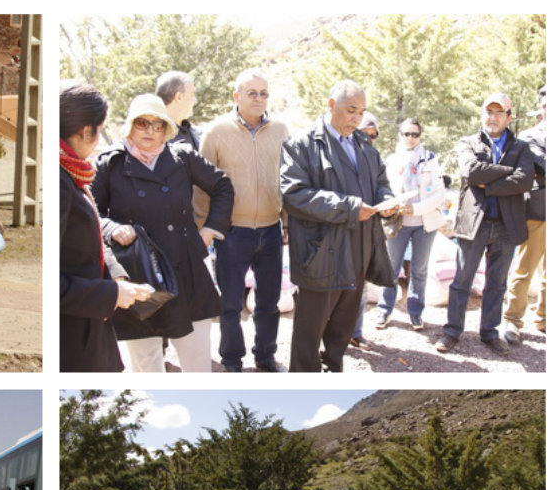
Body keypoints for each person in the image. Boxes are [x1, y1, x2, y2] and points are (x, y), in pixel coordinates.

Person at [93, 93, 234, 372]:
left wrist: (209, 232)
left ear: (167, 129)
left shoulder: (182, 156)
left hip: (187, 272)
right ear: (130, 125)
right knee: (147, 367)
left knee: (198, 368)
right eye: (143, 123)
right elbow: (91, 212)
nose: (150, 131)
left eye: (158, 125)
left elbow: (223, 186)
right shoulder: (111, 164)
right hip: (140, 274)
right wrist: (112, 228)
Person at [280, 80, 397, 372]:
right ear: (331, 105)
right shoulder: (302, 144)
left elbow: (381, 183)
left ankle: (334, 369)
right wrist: (350, 207)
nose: (356, 118)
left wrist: (388, 202)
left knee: (342, 330)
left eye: (362, 112)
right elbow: (294, 195)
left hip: (359, 250)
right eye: (350, 110)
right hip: (321, 254)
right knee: (309, 335)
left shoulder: (364, 146)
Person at [197, 68, 289, 372]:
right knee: (231, 305)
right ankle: (232, 361)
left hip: (271, 230)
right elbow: (201, 185)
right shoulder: (216, 132)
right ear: (237, 96)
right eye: (252, 93)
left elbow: (289, 180)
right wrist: (204, 229)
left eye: (264, 93)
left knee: (268, 303)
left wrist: (286, 223)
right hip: (231, 233)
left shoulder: (280, 131)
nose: (259, 99)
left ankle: (265, 356)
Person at [59, 84, 152, 372]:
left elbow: (89, 240)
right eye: (99, 130)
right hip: (72, 335)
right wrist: (108, 295)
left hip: (89, 324)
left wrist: (117, 279)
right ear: (86, 131)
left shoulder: (72, 171)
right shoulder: (60, 182)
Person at [437, 93, 534, 355]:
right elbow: (470, 172)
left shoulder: (521, 147)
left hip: (506, 225)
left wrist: (488, 184)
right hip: (474, 223)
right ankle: (452, 332)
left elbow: (525, 180)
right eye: (488, 112)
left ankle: (489, 332)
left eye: (498, 112)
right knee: (462, 281)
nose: (492, 117)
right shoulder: (467, 142)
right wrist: (507, 173)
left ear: (509, 117)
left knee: (497, 283)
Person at [372, 117, 446, 333]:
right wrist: (395, 206)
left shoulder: (430, 160)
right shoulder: (392, 160)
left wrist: (416, 209)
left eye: (415, 134)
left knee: (419, 270)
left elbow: (439, 194)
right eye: (406, 134)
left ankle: (415, 313)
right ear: (400, 136)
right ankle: (384, 310)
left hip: (424, 222)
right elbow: (384, 188)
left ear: (420, 136)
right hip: (398, 222)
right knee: (391, 269)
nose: (410, 138)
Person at [503, 86, 546, 344]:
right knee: (524, 270)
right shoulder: (530, 136)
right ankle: (512, 320)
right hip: (539, 210)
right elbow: (543, 165)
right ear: (541, 106)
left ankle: (545, 319)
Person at [350, 111, 382, 350]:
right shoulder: (340, 154)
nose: (368, 139)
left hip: (365, 232)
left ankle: (356, 333)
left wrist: (388, 205)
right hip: (341, 231)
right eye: (364, 134)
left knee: (360, 287)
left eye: (373, 135)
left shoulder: (374, 158)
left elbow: (382, 187)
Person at [156, 71, 200, 150]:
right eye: (192, 94)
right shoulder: (153, 138)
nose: (195, 100)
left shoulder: (198, 134)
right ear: (179, 97)